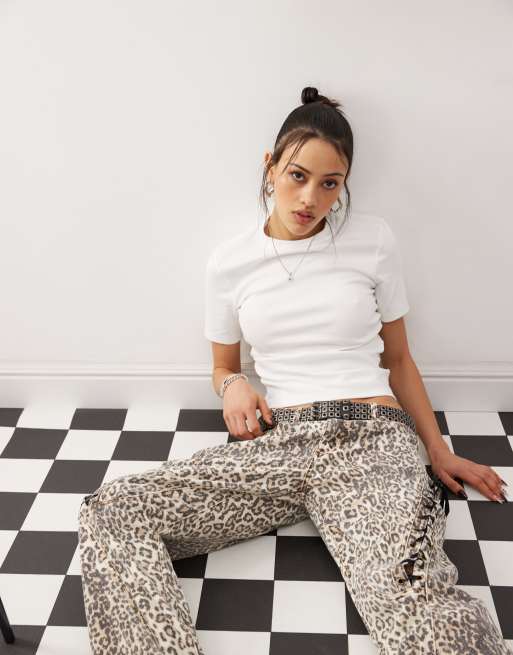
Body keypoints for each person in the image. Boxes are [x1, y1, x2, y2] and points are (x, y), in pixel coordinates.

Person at [78, 87, 511, 655]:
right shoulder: (229, 262)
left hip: (371, 441)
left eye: (330, 184)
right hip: (279, 444)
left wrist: (437, 449)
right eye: (298, 176)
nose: (310, 198)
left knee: (408, 597)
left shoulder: (372, 240)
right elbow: (222, 366)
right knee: (114, 509)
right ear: (271, 166)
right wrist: (234, 385)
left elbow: (400, 359)